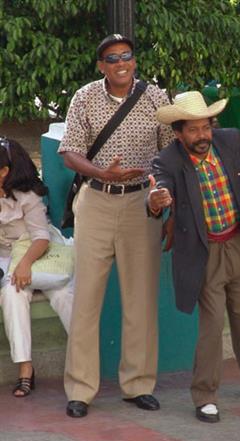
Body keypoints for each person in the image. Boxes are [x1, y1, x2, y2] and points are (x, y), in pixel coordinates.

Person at [148, 91, 240, 423]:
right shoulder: (167, 161)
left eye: (205, 127)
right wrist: (157, 200)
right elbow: (158, 192)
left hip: (239, 239)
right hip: (203, 249)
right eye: (193, 130)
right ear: (178, 133)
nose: (202, 136)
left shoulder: (231, 141)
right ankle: (205, 395)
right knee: (211, 325)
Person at [58, 34, 174, 418]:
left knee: (140, 298)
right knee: (86, 297)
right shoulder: (85, 97)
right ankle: (80, 389)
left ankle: (138, 384)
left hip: (141, 201)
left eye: (127, 56)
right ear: (101, 65)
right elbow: (69, 153)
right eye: (112, 57)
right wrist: (100, 171)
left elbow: (170, 151)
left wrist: (161, 194)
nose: (121, 62)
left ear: (134, 61)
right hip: (96, 198)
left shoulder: (156, 97)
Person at [0, 137, 73, 396]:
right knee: (12, 292)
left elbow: (41, 237)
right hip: (7, 259)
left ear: (5, 172)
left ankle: (83, 364)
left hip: (39, 253)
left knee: (63, 294)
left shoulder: (27, 196)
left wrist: (25, 265)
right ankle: (25, 368)